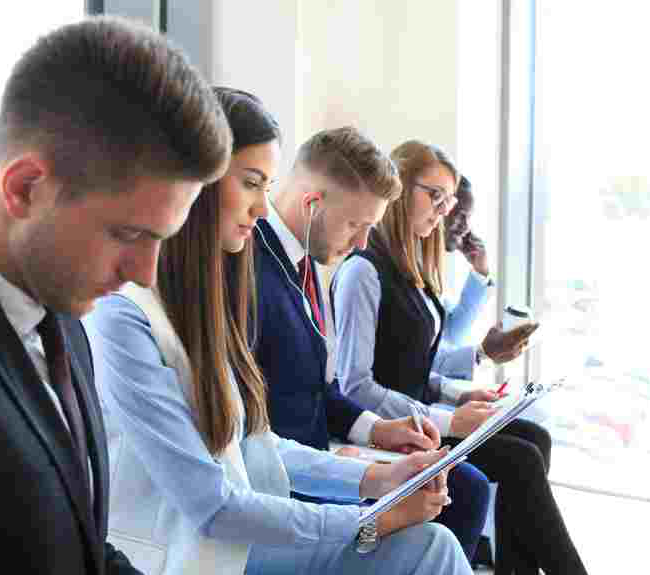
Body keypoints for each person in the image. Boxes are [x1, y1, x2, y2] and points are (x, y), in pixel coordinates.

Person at [0, 16, 232, 574]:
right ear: (25, 188)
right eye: (129, 234)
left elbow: (80, 550)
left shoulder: (63, 322)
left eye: (162, 240)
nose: (146, 273)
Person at [82, 88, 472, 575]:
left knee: (431, 544)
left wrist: (378, 477)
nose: (263, 209)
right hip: (183, 558)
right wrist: (368, 519)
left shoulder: (202, 306)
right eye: (251, 184)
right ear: (192, 182)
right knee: (425, 545)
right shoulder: (122, 318)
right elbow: (213, 506)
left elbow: (254, 447)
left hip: (235, 541)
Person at [332, 140, 589, 575]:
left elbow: (418, 363)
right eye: (435, 196)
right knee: (521, 459)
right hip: (398, 429)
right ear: (399, 187)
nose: (443, 211)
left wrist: (458, 395)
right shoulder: (363, 271)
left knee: (533, 440)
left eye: (447, 201)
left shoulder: (413, 269)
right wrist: (449, 419)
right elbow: (355, 386)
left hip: (425, 419)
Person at [252, 127, 491, 560]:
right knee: (440, 528)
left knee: (453, 494)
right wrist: (357, 467)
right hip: (286, 486)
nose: (362, 242)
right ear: (313, 204)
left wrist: (380, 430)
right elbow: (255, 434)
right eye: (356, 224)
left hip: (317, 460)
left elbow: (323, 390)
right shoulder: (252, 273)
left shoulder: (305, 266)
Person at [434, 174, 534, 381]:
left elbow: (452, 334)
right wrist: (483, 352)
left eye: (468, 218)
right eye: (460, 215)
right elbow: (422, 363)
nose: (466, 227)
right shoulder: (397, 270)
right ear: (439, 209)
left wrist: (480, 271)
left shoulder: (431, 267)